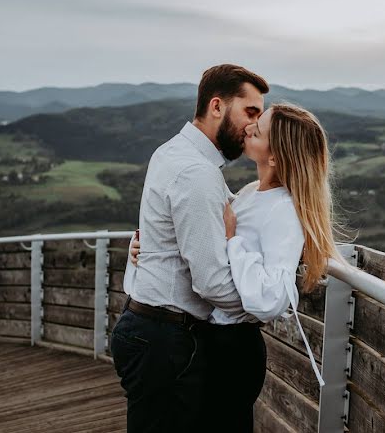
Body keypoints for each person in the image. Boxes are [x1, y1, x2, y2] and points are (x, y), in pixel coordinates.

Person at [128, 102, 344, 431]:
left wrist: (234, 242)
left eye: (257, 130)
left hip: (233, 350)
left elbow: (270, 299)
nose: (248, 128)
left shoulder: (284, 212)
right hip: (210, 340)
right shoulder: (250, 192)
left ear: (274, 156)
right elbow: (200, 222)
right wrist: (151, 247)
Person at [111, 64, 269, 433]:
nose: (254, 124)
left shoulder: (172, 152)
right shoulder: (196, 173)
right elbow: (212, 283)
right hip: (164, 340)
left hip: (150, 330)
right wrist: (264, 305)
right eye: (250, 111)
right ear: (217, 106)